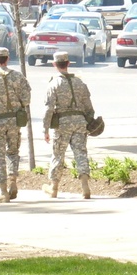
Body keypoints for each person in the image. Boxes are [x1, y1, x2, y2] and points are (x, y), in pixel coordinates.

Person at [0, 46, 31, 203]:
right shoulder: (18, 76)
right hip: (15, 120)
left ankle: (3, 191)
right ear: (8, 59)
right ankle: (13, 181)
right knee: (13, 151)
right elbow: (26, 98)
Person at [42, 50, 95, 199]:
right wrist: (88, 122)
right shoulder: (80, 83)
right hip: (80, 122)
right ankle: (85, 186)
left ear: (54, 64)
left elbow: (49, 108)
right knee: (81, 153)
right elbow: (89, 108)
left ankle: (54, 188)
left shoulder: (54, 84)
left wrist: (45, 129)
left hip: (62, 124)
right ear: (68, 64)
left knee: (58, 154)